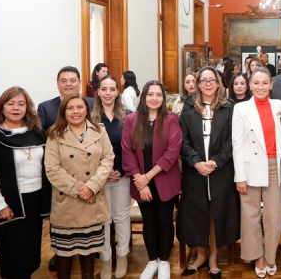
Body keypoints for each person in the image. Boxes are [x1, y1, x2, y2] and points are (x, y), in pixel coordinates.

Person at [178, 67, 240, 279]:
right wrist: (196, 162)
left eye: (211, 80)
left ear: (218, 83)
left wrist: (216, 161)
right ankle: (200, 256)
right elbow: (182, 140)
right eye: (203, 81)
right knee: (197, 214)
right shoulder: (188, 107)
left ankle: (213, 257)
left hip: (219, 170)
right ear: (197, 84)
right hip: (195, 172)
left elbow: (234, 139)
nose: (207, 84)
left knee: (215, 214)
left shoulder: (229, 107)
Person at [45, 92, 114, 279]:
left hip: (93, 202)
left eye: (80, 107)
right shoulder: (54, 134)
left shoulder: (99, 130)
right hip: (67, 203)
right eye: (70, 108)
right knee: (64, 257)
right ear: (63, 112)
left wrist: (92, 187)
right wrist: (80, 190)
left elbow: (108, 158)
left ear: (87, 109)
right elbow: (52, 169)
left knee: (88, 255)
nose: (75, 111)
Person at [0, 87, 51, 279]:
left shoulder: (38, 133)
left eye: (21, 104)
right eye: (11, 103)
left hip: (35, 202)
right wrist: (0, 206)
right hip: (9, 204)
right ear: (1, 107)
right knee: (13, 258)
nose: (16, 108)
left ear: (27, 108)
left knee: (30, 256)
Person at [121, 81, 182, 279]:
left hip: (164, 180)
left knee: (164, 221)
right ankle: (152, 260)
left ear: (163, 99)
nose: (154, 98)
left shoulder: (171, 119)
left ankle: (164, 261)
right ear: (144, 97)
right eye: (150, 94)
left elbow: (172, 152)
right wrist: (140, 180)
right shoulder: (132, 120)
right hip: (140, 182)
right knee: (149, 222)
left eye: (158, 95)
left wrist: (148, 177)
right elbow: (127, 151)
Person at [37, 65, 94, 272]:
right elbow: (42, 141)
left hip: (88, 171)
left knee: (88, 217)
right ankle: (59, 252)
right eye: (64, 80)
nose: (68, 84)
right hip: (61, 173)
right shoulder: (46, 108)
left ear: (79, 83)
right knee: (61, 217)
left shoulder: (91, 103)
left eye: (73, 80)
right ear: (58, 84)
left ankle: (87, 251)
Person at [232, 68, 281, 277]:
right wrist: (240, 176)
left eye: (265, 83)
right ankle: (258, 257)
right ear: (250, 85)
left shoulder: (280, 105)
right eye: (256, 83)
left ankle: (271, 255)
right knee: (250, 216)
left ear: (271, 85)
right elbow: (237, 144)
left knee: (273, 216)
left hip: (274, 166)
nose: (260, 87)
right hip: (249, 167)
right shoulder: (241, 108)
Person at [91, 76, 132, 279]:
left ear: (118, 92)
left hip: (122, 176)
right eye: (104, 89)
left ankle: (122, 256)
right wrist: (103, 173)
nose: (108, 93)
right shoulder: (89, 117)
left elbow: (133, 148)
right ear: (98, 91)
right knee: (104, 220)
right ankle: (106, 259)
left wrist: (122, 170)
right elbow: (87, 151)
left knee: (122, 217)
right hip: (99, 179)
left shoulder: (129, 117)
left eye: (112, 89)